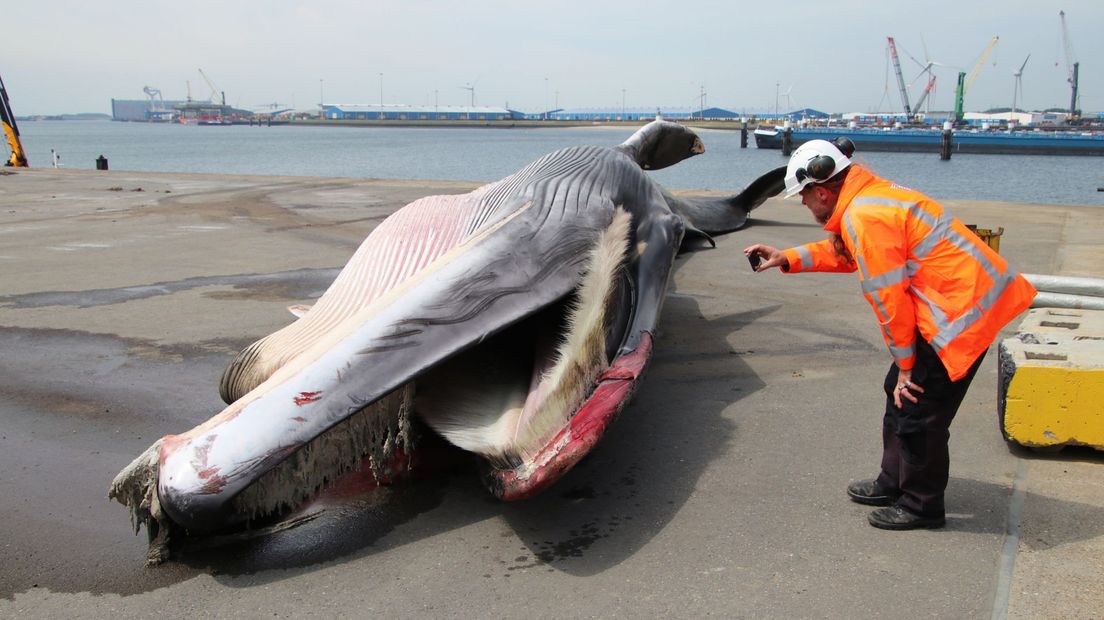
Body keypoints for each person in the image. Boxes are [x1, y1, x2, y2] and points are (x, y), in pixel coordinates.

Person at [744, 139, 1036, 530]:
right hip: (960, 304)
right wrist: (789, 257)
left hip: (960, 315)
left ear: (822, 190)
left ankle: (921, 504)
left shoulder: (865, 215)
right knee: (896, 393)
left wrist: (905, 366)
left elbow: (889, 301)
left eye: (803, 198)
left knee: (917, 409)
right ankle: (893, 480)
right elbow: (849, 254)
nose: (804, 205)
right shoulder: (869, 199)